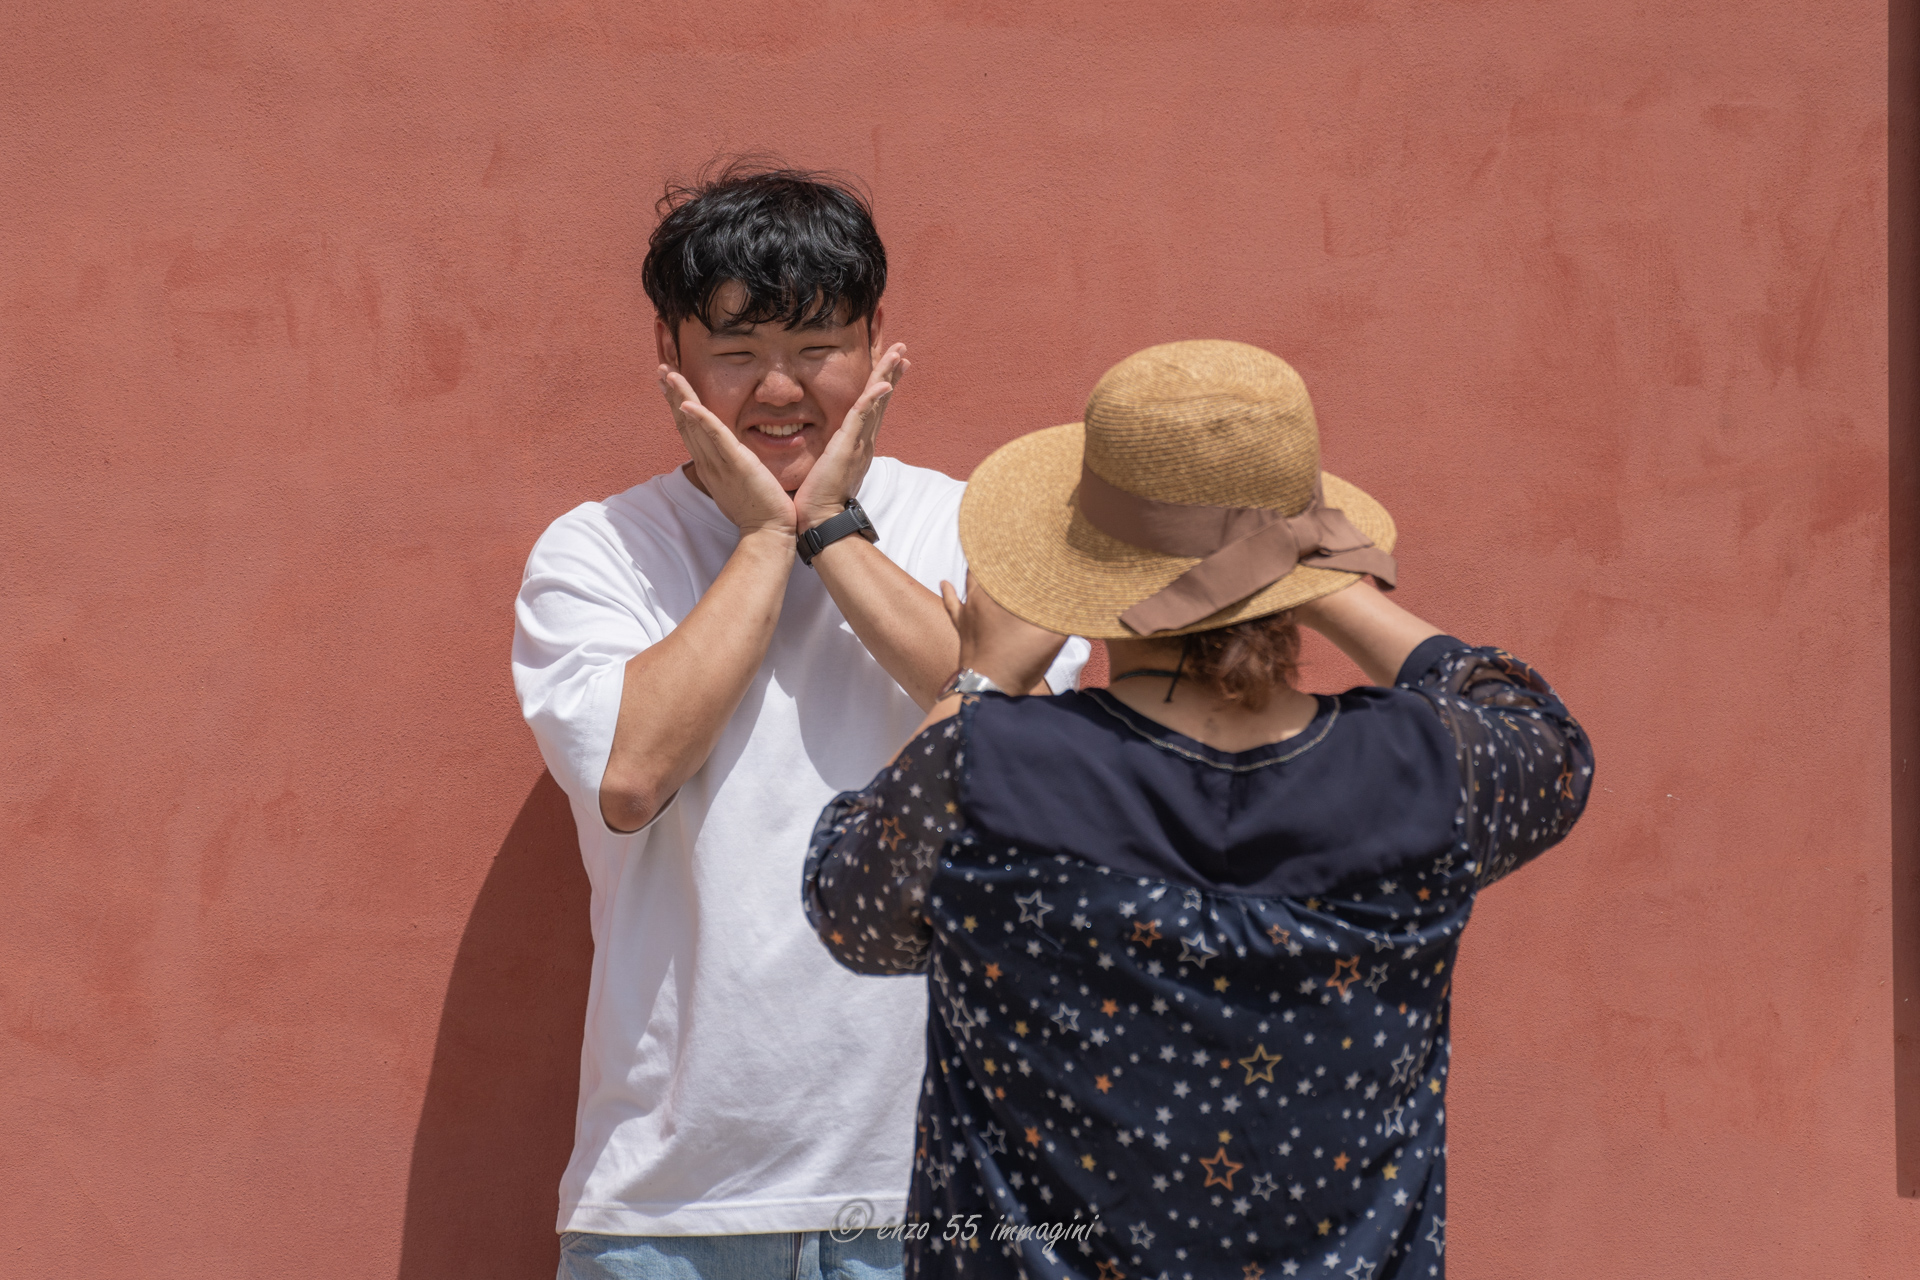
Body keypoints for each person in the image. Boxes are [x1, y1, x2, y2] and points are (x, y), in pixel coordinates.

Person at [804, 340, 1593, 1279]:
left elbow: (848, 907)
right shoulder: (1427, 769)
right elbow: (1544, 735)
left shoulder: (985, 770)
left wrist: (976, 680)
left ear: (1080, 570)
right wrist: (1327, 582)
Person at [511, 162, 1090, 1280]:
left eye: (816, 343)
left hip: (942, 1189)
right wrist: (767, 541)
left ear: (877, 342)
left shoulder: (975, 524)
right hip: (671, 1208)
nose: (779, 389)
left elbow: (1029, 753)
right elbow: (631, 775)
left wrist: (833, 528)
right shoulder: (598, 550)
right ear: (673, 361)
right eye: (736, 353)